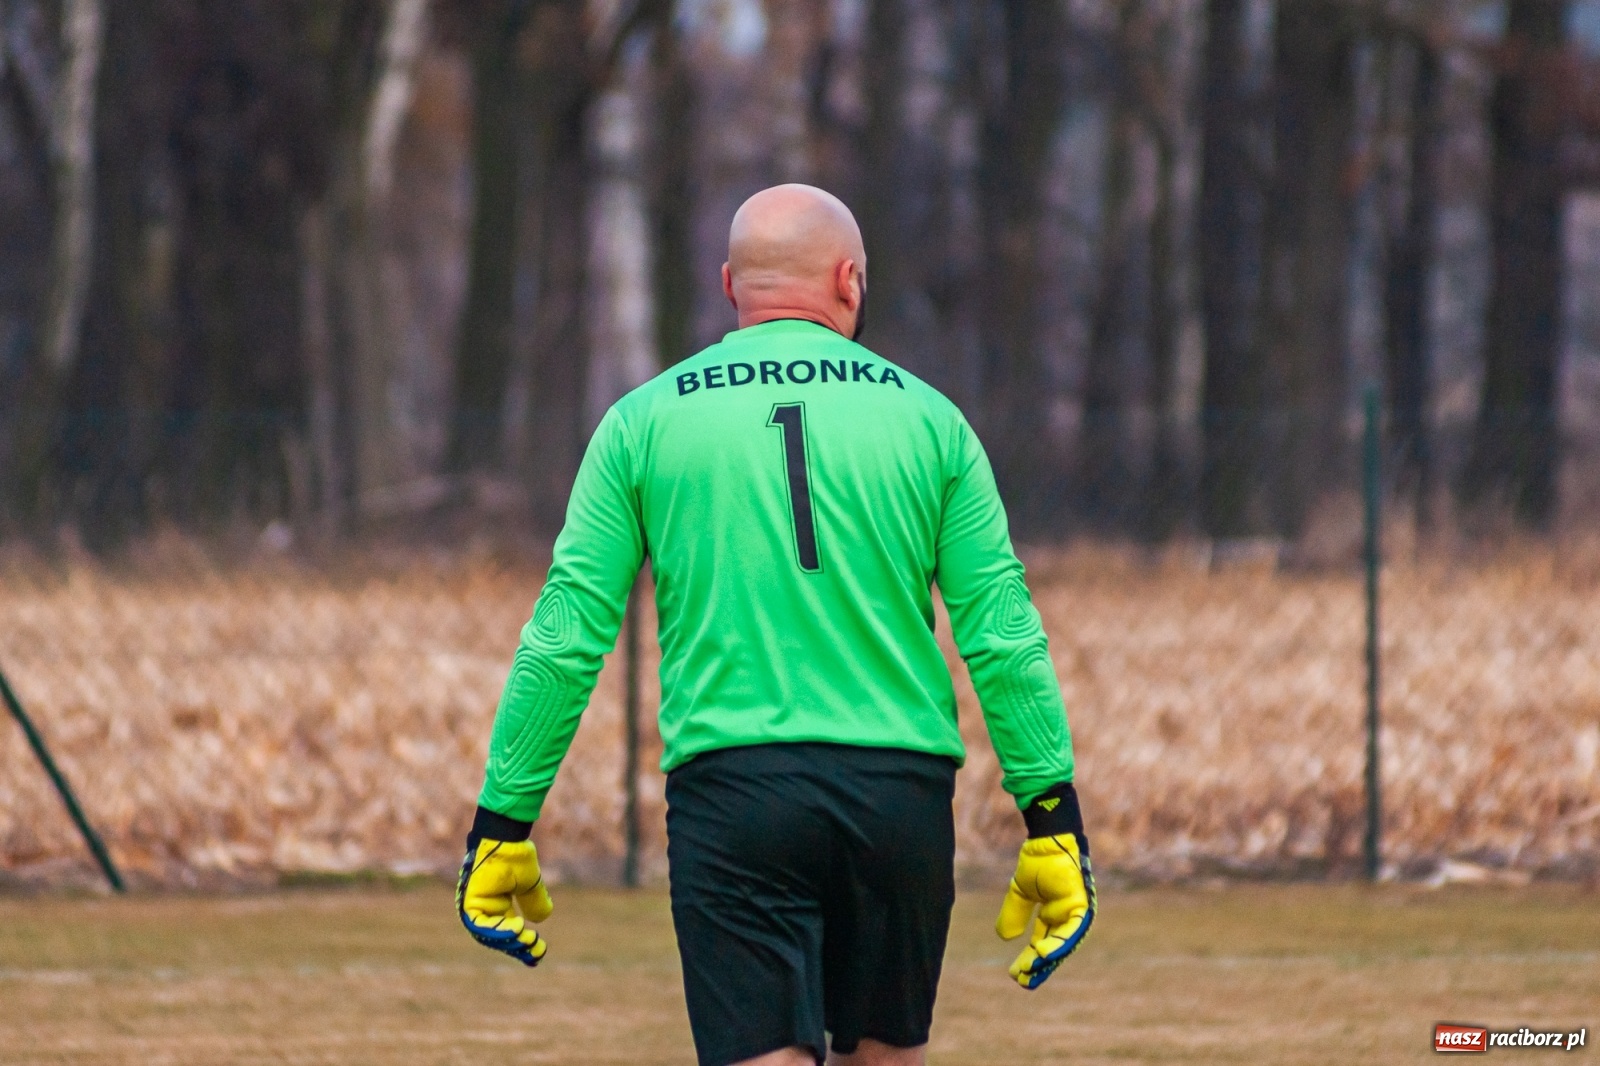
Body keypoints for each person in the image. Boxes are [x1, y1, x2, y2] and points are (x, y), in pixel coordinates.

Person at [455, 184, 1094, 1066]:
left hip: (735, 792)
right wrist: (1053, 817)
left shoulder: (642, 422)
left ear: (730, 285)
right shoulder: (933, 422)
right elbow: (1003, 633)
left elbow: (565, 639)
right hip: (897, 796)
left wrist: (502, 824)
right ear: (849, 279)